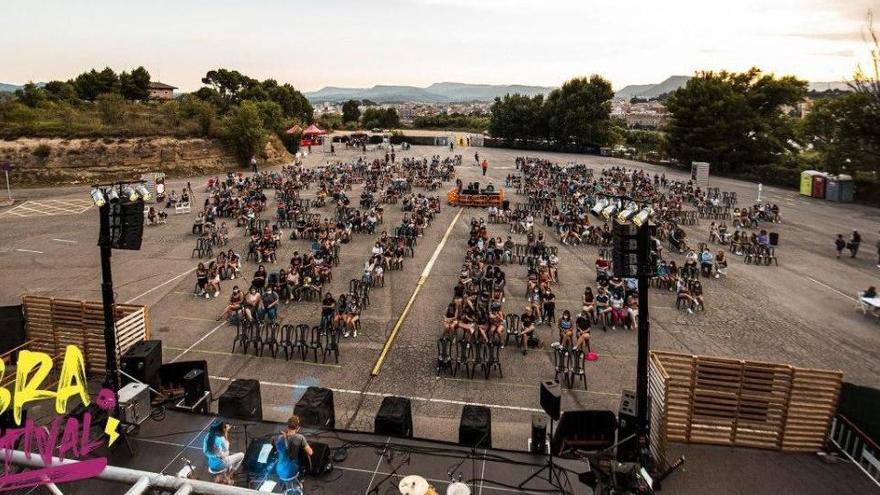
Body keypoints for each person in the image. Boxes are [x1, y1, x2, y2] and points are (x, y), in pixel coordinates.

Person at [275, 416, 313, 493]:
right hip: (291, 471)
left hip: (279, 470)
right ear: (298, 428)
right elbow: (310, 452)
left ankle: (284, 485)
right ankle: (300, 481)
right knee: (303, 460)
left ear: (287, 426)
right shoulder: (300, 438)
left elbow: (279, 451)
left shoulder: (279, 438)